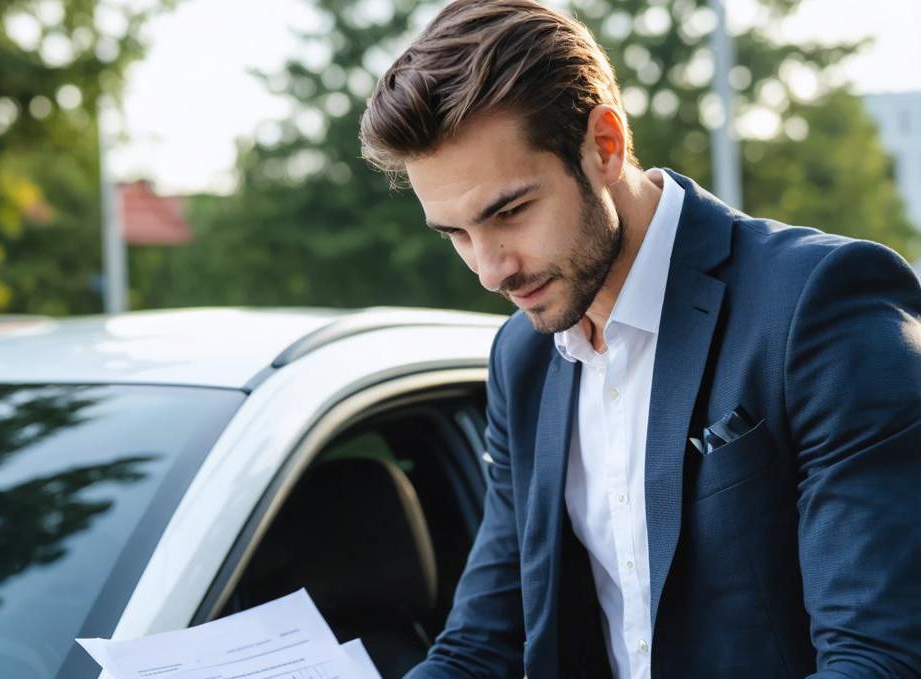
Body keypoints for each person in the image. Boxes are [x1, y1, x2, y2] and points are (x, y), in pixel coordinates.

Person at [357, 1, 921, 678]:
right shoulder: (523, 356)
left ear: (604, 144)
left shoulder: (819, 300)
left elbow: (878, 656)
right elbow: (485, 639)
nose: (489, 268)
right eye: (454, 233)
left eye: (508, 212)